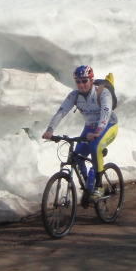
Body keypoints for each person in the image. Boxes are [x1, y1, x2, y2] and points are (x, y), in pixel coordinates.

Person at [42, 65, 118, 201]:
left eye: (84, 81)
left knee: (95, 146)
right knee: (77, 157)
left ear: (91, 80)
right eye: (78, 81)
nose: (81, 84)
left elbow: (105, 115)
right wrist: (50, 130)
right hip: (89, 127)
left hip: (109, 125)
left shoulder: (103, 93)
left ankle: (99, 186)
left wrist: (97, 132)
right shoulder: (74, 96)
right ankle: (89, 185)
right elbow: (61, 112)